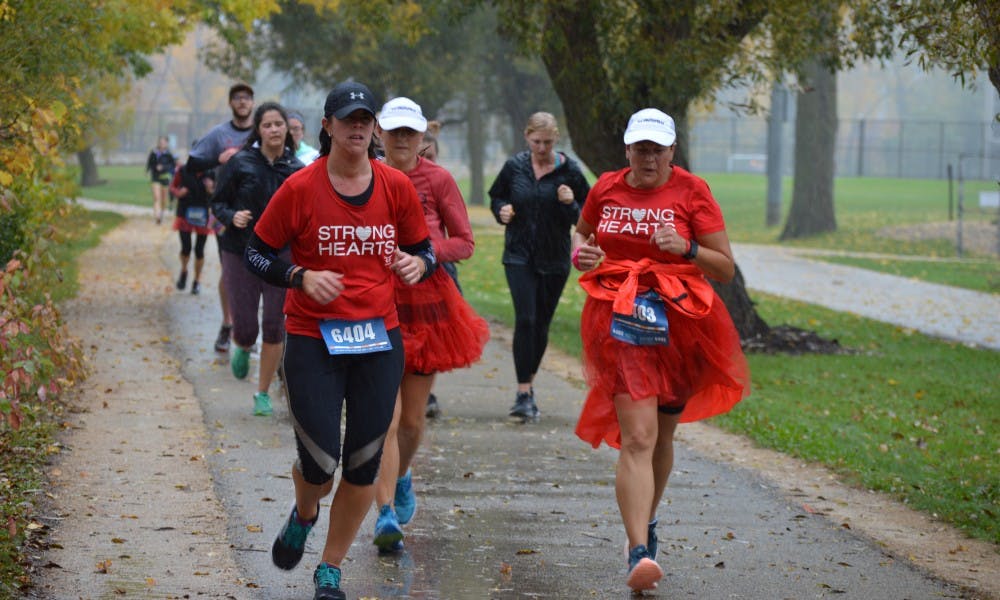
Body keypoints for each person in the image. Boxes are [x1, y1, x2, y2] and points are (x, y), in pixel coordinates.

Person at [243, 81, 436, 600]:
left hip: (378, 338)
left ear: (373, 127)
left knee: (364, 462)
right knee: (319, 463)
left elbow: (424, 248)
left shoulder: (394, 186)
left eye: (365, 119)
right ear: (327, 126)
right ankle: (304, 513)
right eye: (347, 118)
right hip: (312, 339)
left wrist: (418, 263)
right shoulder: (301, 189)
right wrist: (299, 276)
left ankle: (329, 569)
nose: (357, 127)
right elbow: (257, 253)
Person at [570, 108, 751, 592]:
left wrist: (685, 248)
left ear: (672, 151)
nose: (648, 157)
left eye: (658, 148)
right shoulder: (607, 186)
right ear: (627, 149)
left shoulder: (693, 192)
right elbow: (582, 233)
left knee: (663, 436)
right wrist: (580, 253)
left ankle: (646, 523)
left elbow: (725, 269)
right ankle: (637, 552)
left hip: (681, 323)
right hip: (621, 319)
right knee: (638, 438)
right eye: (640, 148)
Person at [369, 97, 488, 553]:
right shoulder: (365, 174)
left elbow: (465, 241)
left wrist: (425, 255)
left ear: (422, 136)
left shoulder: (438, 179)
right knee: (385, 415)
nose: (401, 139)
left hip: (426, 303)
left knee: (413, 420)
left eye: (409, 132)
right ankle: (384, 514)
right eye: (394, 130)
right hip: (374, 302)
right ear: (380, 131)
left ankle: (400, 477)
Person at [488, 111, 590, 421]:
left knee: (542, 322)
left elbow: (586, 218)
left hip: (555, 258)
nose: (541, 148)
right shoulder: (515, 166)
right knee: (527, 318)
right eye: (536, 141)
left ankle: (529, 384)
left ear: (556, 139)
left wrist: (570, 203)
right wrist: (502, 210)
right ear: (527, 137)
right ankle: (522, 392)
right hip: (518, 254)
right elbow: (497, 196)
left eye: (547, 142)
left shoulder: (570, 171)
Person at [211, 102, 304, 417]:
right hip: (241, 251)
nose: (275, 130)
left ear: (287, 130)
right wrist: (232, 215)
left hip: (281, 255)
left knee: (275, 325)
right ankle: (241, 342)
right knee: (248, 326)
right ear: (259, 130)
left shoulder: (297, 170)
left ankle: (262, 393)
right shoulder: (240, 163)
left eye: (280, 124)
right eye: (268, 125)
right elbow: (218, 201)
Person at [188, 82, 255, 353]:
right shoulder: (219, 134)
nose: (242, 102)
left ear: (252, 102)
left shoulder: (260, 131)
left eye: (246, 98)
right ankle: (228, 324)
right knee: (230, 269)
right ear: (230, 103)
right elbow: (192, 163)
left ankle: (247, 326)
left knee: (256, 270)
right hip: (225, 210)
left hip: (257, 210)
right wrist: (218, 158)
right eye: (237, 98)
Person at [168, 158, 215, 294]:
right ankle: (184, 270)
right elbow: (173, 186)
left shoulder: (210, 172)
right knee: (186, 248)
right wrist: (178, 193)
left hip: (203, 214)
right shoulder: (183, 170)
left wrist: (211, 189)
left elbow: (218, 193)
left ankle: (197, 281)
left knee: (199, 250)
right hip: (185, 213)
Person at [145, 136, 175, 225]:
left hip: (165, 178)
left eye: (163, 142)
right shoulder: (154, 152)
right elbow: (149, 163)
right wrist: (148, 170)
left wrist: (164, 167)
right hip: (155, 177)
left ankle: (161, 214)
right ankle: (157, 216)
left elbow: (172, 166)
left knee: (164, 199)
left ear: (166, 143)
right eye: (160, 142)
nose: (161, 144)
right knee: (156, 197)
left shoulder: (169, 154)